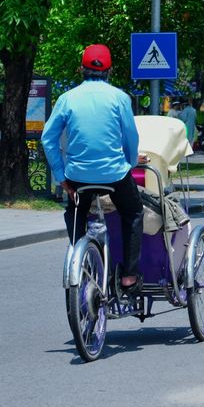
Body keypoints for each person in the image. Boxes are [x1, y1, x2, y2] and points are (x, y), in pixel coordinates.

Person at [41, 44, 144, 295]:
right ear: (109, 70)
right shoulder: (120, 98)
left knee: (75, 212)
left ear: (81, 69)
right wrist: (129, 164)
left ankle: (80, 254)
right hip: (115, 175)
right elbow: (131, 137)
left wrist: (61, 176)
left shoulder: (67, 98)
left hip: (77, 176)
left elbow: (48, 138)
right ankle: (129, 277)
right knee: (133, 213)